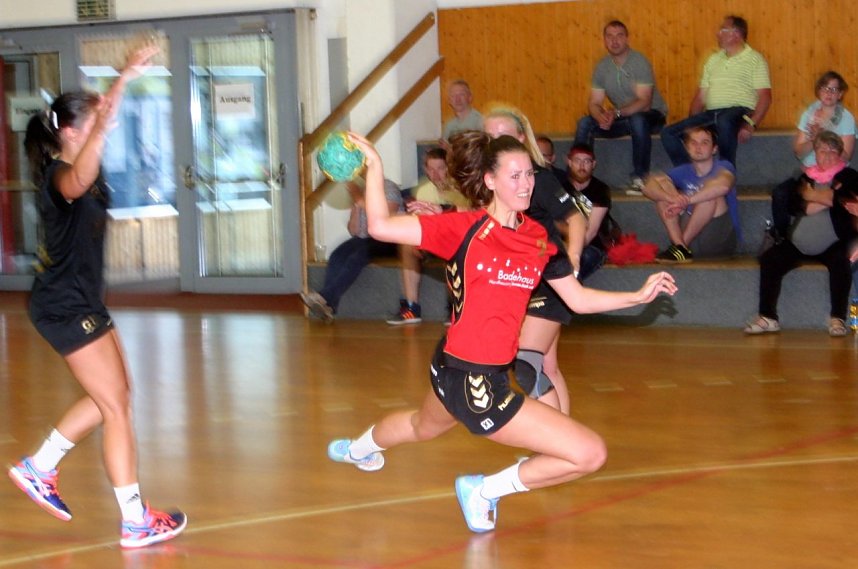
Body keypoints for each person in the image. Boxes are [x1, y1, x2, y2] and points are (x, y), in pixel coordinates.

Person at [326, 130, 676, 534]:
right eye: (514, 176)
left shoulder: (538, 239)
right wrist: (375, 168)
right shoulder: (462, 228)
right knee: (589, 454)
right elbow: (383, 226)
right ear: (490, 180)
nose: (526, 183)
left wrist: (636, 296)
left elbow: (577, 300)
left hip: (464, 369)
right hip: (473, 381)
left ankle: (359, 449)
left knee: (422, 426)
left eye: (529, 174)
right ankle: (483, 490)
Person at [9, 45, 187, 549]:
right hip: (65, 306)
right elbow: (79, 175)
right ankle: (134, 519)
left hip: (79, 303)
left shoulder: (83, 166)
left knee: (115, 398)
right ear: (70, 132)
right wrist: (124, 81)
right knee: (116, 408)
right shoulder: (59, 178)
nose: (107, 128)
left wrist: (122, 83)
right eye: (97, 123)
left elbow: (92, 157)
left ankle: (40, 466)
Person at [483, 106, 586, 414]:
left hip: (549, 282)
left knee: (527, 362)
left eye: (501, 135)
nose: (494, 142)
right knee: (548, 366)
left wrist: (574, 258)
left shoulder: (537, 180)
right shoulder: (490, 181)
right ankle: (566, 441)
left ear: (519, 138)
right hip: (519, 283)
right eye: (488, 136)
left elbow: (575, 218)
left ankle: (559, 441)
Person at [745, 131, 858, 337]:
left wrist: (813, 196)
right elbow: (795, 206)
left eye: (833, 150)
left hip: (834, 242)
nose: (828, 154)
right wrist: (824, 199)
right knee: (770, 259)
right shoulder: (805, 177)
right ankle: (768, 317)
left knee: (842, 261)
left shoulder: (850, 176)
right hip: (799, 241)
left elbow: (846, 203)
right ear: (815, 153)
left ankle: (837, 318)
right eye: (822, 150)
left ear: (841, 154)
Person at [660, 15, 772, 168]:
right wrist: (693, 126)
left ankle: (727, 176)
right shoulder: (713, 60)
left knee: (724, 121)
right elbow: (700, 97)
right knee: (668, 133)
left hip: (739, 111)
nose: (718, 33)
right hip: (712, 113)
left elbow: (765, 97)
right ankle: (691, 175)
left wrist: (751, 125)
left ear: (737, 34)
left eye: (723, 30)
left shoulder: (754, 59)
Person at [573, 20, 668, 193]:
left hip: (652, 116)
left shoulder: (639, 62)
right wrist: (600, 116)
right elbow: (594, 103)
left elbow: (644, 103)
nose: (614, 41)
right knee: (585, 123)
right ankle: (578, 178)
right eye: (609, 36)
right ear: (604, 40)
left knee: (638, 120)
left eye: (619, 36)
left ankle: (640, 177)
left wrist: (615, 114)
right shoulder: (602, 67)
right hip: (622, 117)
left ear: (627, 39)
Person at [301, 173, 403, 322]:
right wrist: (356, 206)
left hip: (390, 239)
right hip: (366, 238)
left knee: (359, 256)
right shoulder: (361, 190)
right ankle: (328, 306)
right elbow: (354, 230)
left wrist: (359, 198)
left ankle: (325, 298)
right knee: (337, 255)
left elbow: (386, 217)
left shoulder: (389, 187)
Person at [387, 147, 470, 325]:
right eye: (431, 169)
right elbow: (421, 226)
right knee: (406, 245)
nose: (435, 174)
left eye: (440, 168)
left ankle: (456, 308)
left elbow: (463, 221)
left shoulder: (460, 190)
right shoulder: (424, 191)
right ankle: (411, 308)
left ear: (449, 168)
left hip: (456, 240)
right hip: (432, 240)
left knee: (454, 248)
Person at [770, 71, 856, 239]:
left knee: (842, 196)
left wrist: (826, 140)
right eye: (825, 88)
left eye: (833, 89)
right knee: (780, 193)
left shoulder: (846, 118)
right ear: (818, 91)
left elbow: (846, 156)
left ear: (840, 94)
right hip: (811, 171)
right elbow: (799, 151)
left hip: (836, 173)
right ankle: (782, 236)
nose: (829, 93)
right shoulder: (809, 114)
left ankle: (840, 240)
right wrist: (814, 138)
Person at [643, 125, 739, 263]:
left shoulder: (723, 167)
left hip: (718, 240)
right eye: (693, 143)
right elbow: (647, 187)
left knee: (710, 196)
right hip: (690, 237)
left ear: (714, 149)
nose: (698, 147)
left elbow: (723, 186)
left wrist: (686, 200)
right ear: (687, 148)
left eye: (704, 142)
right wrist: (671, 198)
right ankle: (680, 247)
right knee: (662, 189)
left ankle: (681, 247)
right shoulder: (683, 170)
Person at [564, 144, 613, 281]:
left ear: (594, 164)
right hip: (563, 242)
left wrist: (572, 250)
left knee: (581, 259)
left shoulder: (600, 189)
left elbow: (591, 231)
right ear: (569, 162)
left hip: (591, 246)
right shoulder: (560, 187)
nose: (582, 166)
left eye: (587, 161)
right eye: (577, 160)